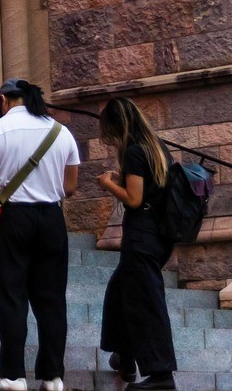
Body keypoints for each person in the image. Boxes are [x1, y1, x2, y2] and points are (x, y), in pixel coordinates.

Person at [0, 77, 83, 391]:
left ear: (4, 100)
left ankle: (12, 376)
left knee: (12, 298)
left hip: (12, 218)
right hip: (51, 219)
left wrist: (3, 175)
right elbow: (70, 187)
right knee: (52, 300)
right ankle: (52, 377)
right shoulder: (61, 132)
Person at [97, 95, 178, 390]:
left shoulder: (133, 151)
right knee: (120, 291)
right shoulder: (156, 148)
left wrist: (108, 184)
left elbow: (134, 199)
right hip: (159, 234)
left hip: (141, 235)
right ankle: (125, 356)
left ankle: (161, 375)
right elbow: (150, 186)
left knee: (147, 301)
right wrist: (122, 178)